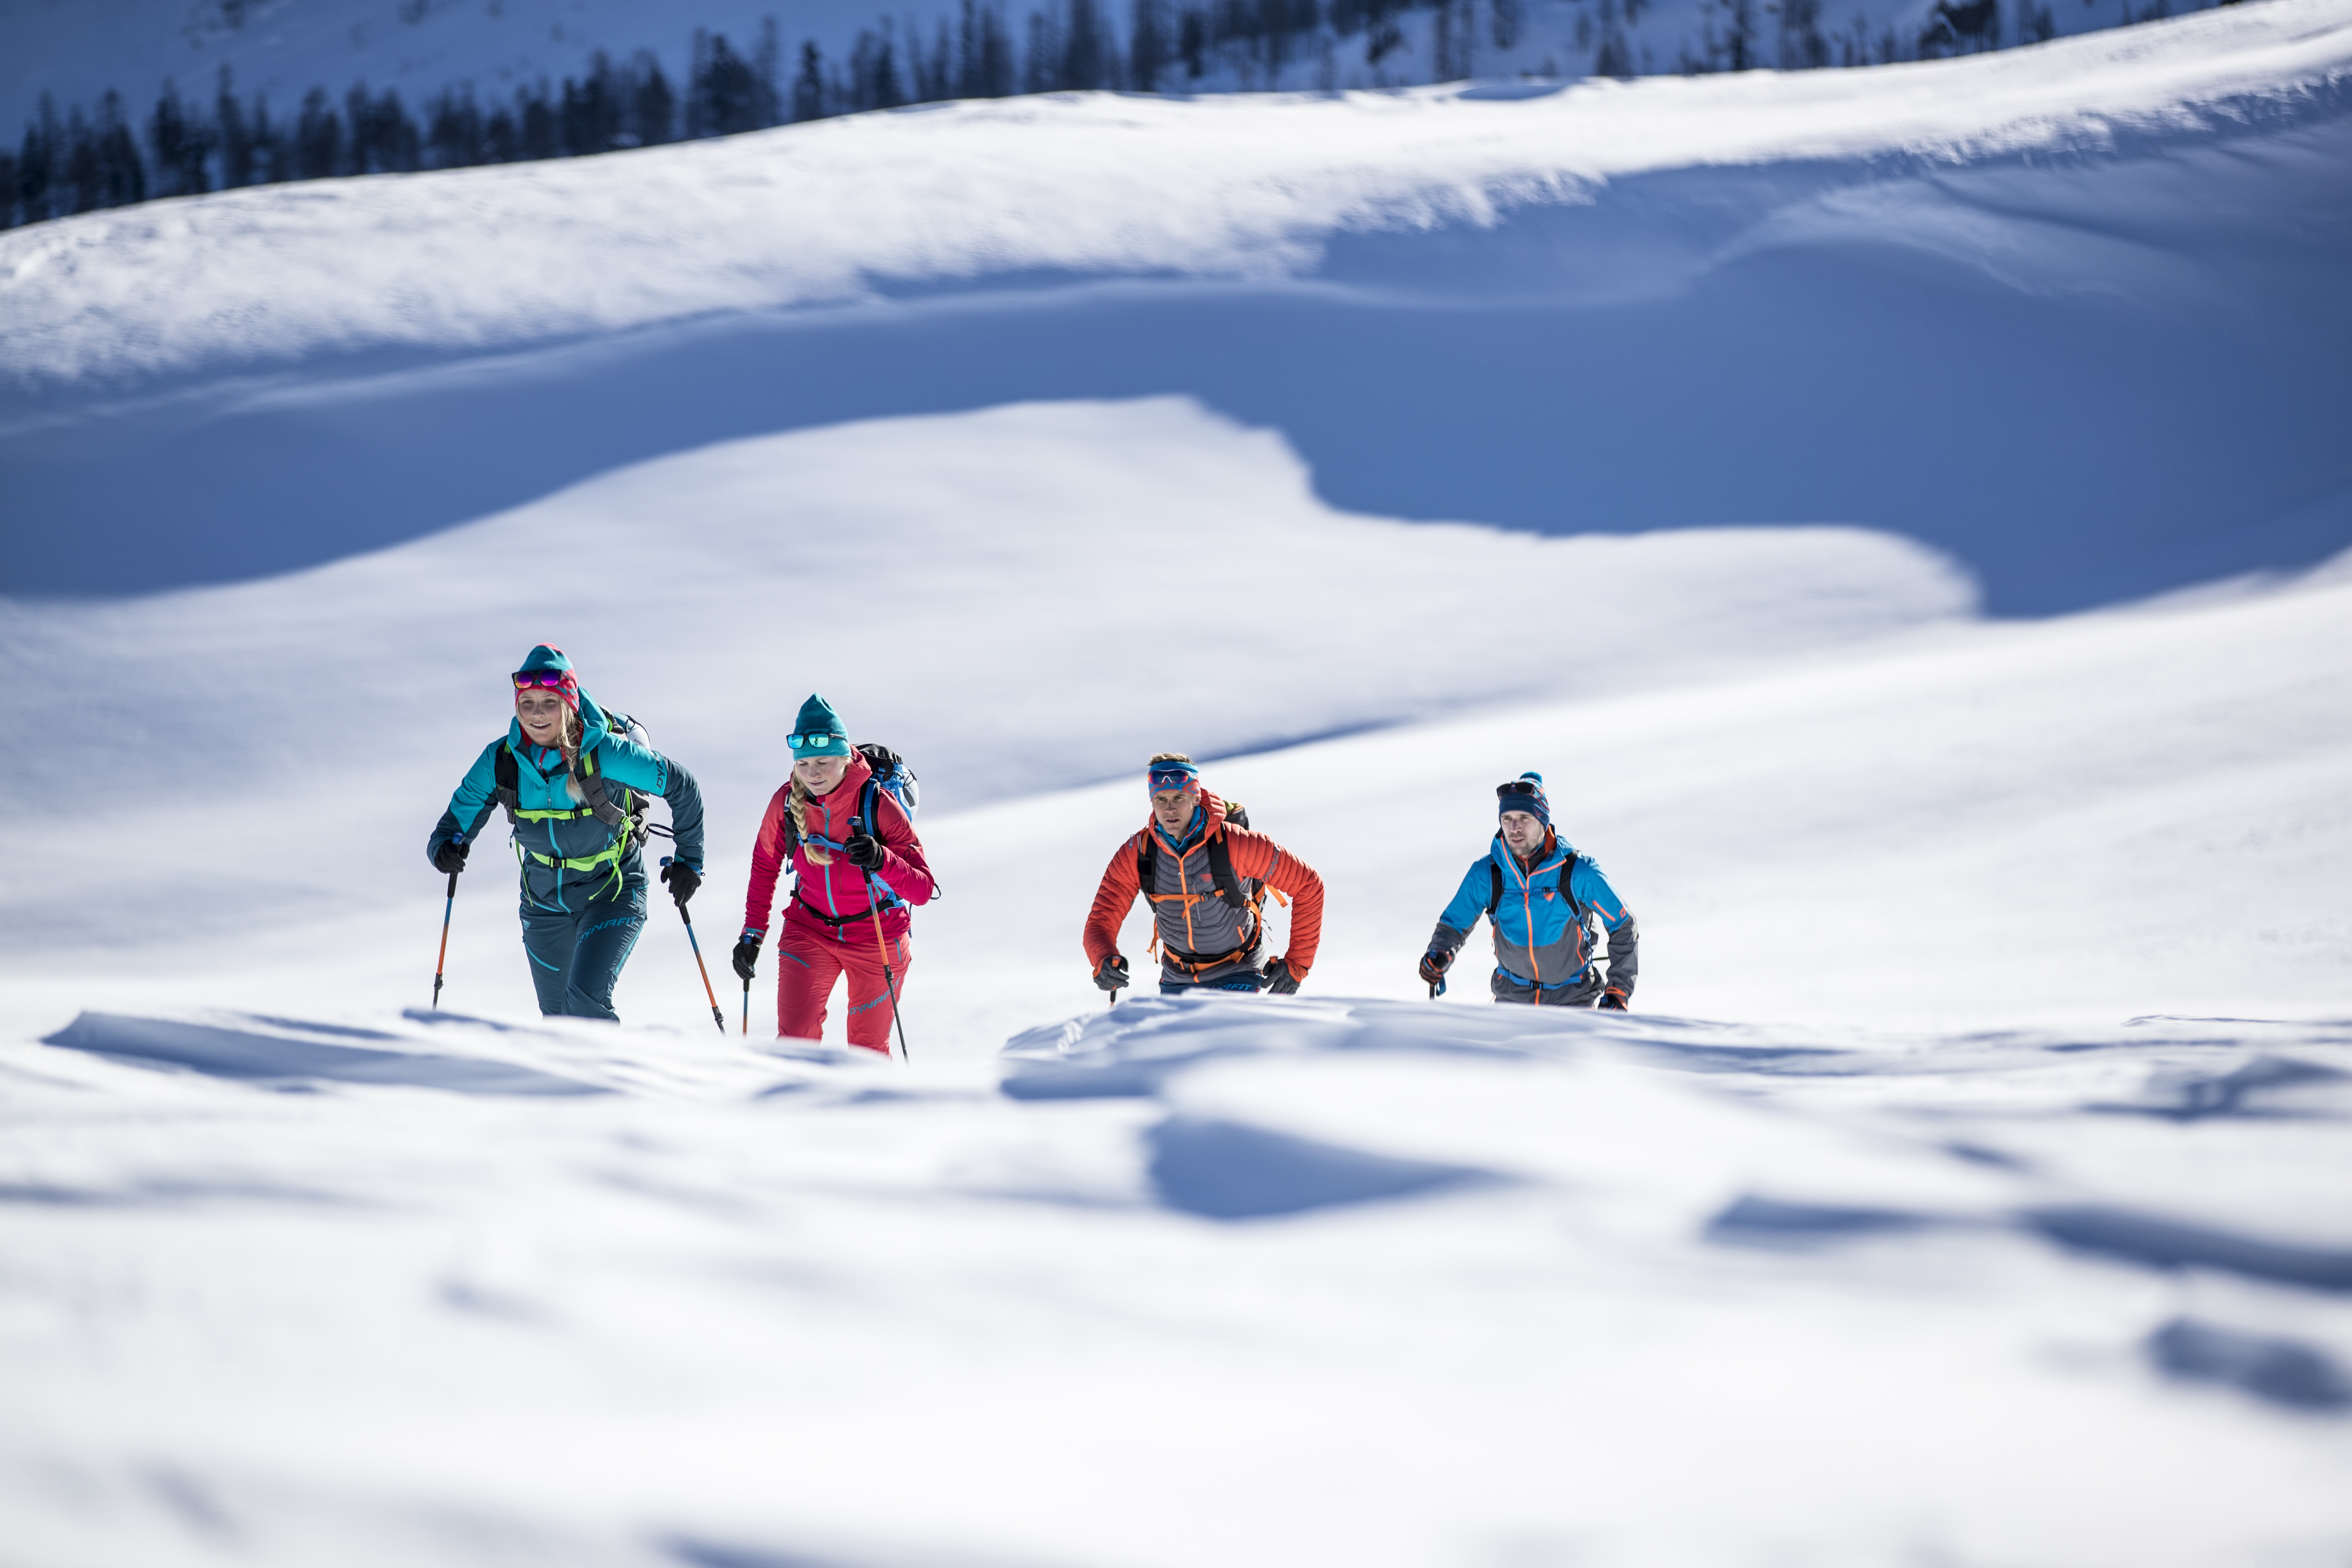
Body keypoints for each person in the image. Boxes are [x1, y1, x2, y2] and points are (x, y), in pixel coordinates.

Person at [428, 644, 706, 1021]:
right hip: (543, 905)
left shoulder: (604, 753)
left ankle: (609, 1080)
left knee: (585, 1003)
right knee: (558, 1022)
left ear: (569, 705)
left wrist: (690, 860)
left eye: (549, 702)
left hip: (613, 890)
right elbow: (456, 819)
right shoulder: (502, 761)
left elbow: (682, 785)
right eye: (527, 703)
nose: (537, 714)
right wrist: (443, 848)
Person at [732, 695, 935, 1055]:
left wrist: (880, 859)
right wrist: (752, 933)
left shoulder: (877, 803)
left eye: (823, 761)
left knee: (867, 1052)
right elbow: (764, 865)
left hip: (878, 934)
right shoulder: (785, 803)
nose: (813, 773)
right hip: (808, 929)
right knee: (795, 1046)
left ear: (846, 758)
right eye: (804, 763)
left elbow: (922, 888)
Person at [1084, 753, 1325, 997]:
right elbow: (1103, 917)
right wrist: (1102, 958)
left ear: (1196, 797)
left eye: (1179, 797)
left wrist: (1298, 964)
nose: (1170, 809)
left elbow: (1308, 885)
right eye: (1161, 799)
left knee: (1225, 1031)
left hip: (1239, 969)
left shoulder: (1236, 843)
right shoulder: (1138, 852)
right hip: (1177, 978)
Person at [1419, 772, 1638, 1008]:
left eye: (1524, 818)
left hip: (1574, 1003)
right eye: (1507, 819)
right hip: (1511, 1004)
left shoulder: (1578, 872)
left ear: (1542, 821)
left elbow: (1623, 925)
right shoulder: (1488, 874)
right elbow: (1453, 925)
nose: (1514, 828)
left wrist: (1618, 990)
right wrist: (1439, 953)